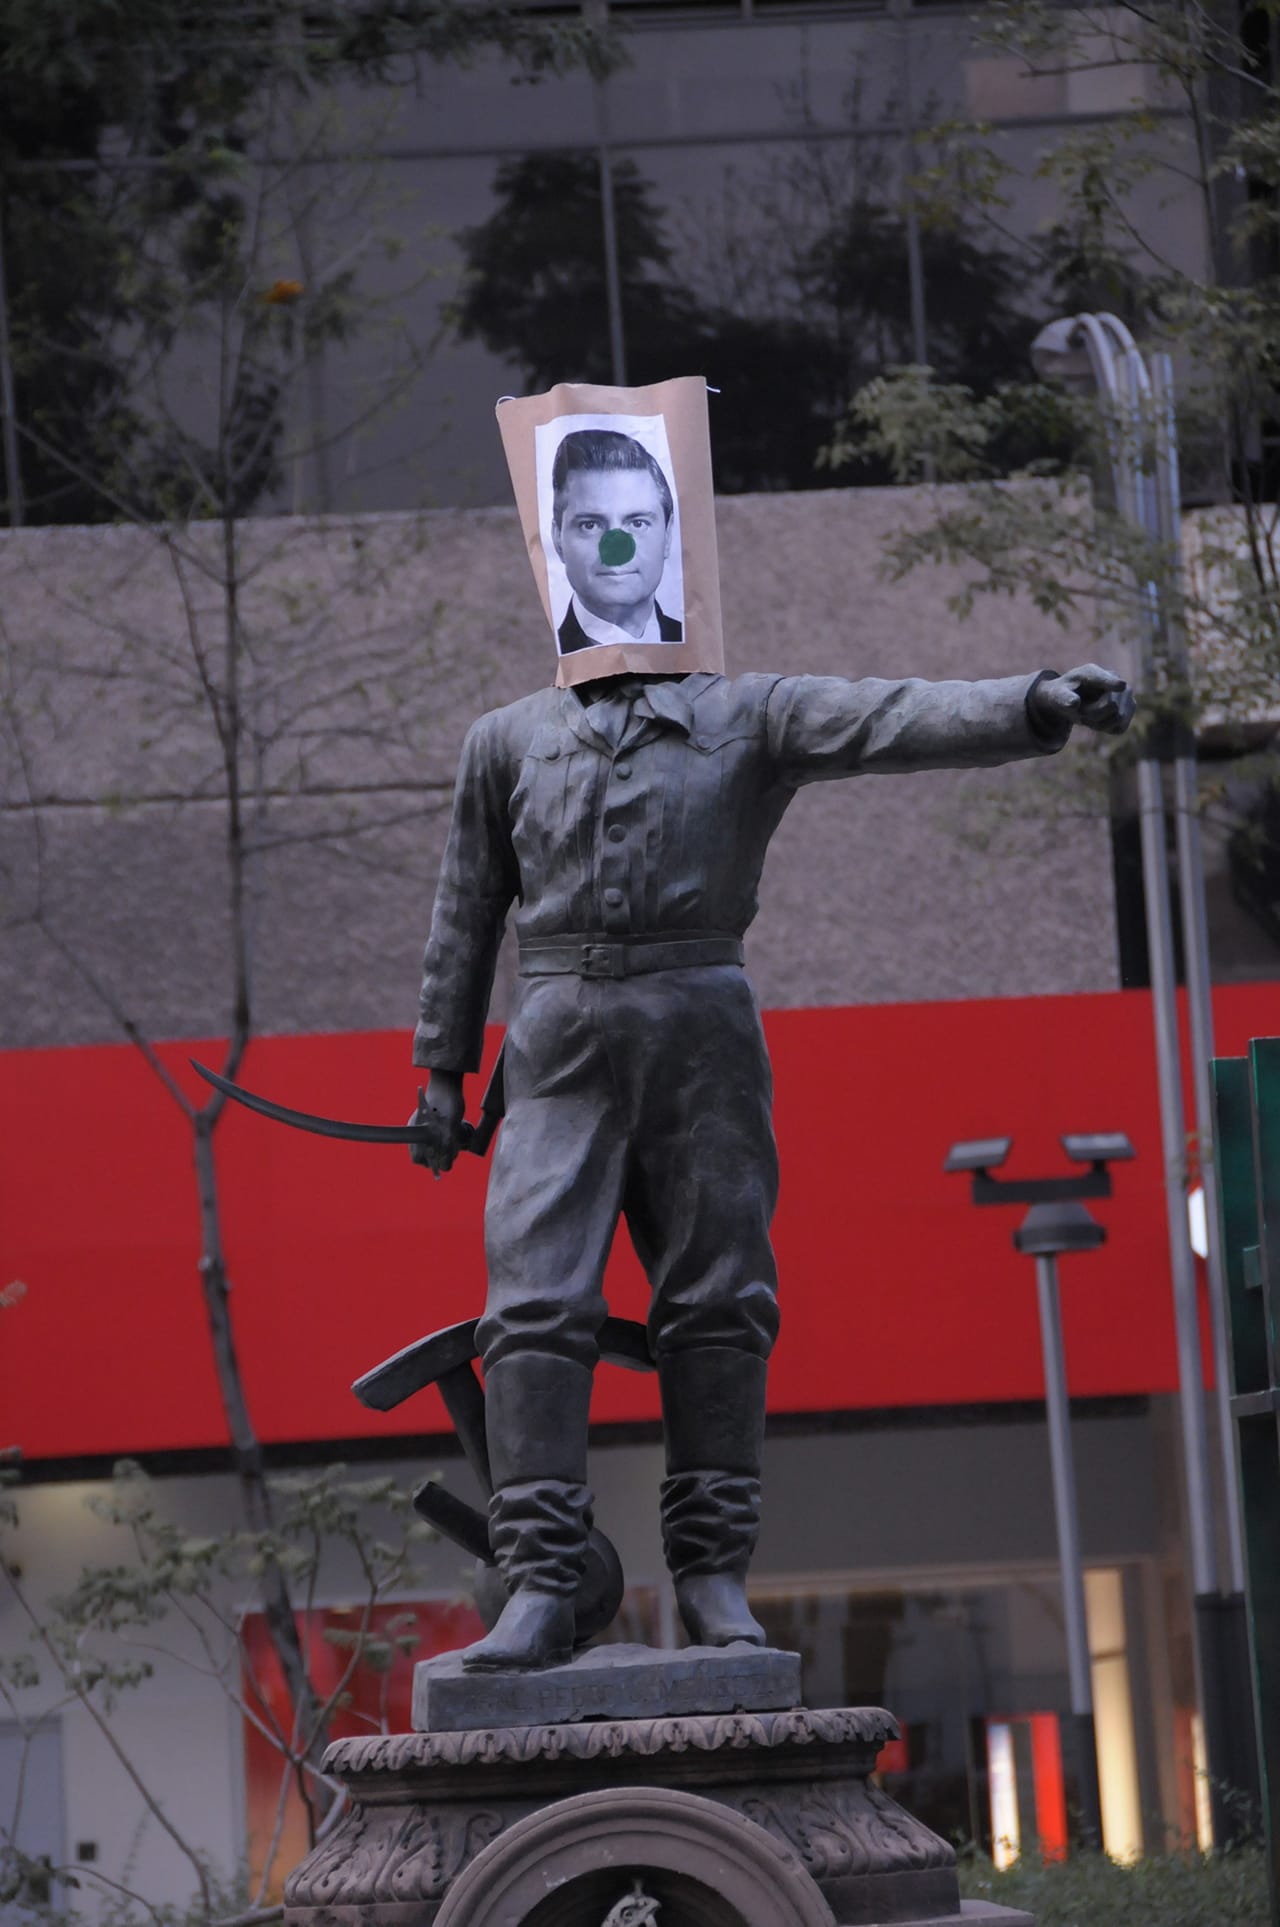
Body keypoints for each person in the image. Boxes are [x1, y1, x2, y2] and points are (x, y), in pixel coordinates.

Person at [411, 660, 1135, 1672]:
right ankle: (539, 1579)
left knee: (719, 1299)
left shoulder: (747, 712)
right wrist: (441, 1070)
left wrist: (1028, 701)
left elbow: (889, 714)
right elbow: (468, 898)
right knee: (530, 1304)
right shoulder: (506, 736)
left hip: (700, 1027)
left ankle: (711, 1573)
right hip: (556, 1040)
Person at [551, 429, 683, 653]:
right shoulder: (538, 661)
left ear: (668, 535)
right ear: (557, 539)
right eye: (590, 525)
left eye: (637, 523)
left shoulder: (696, 651)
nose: (617, 552)